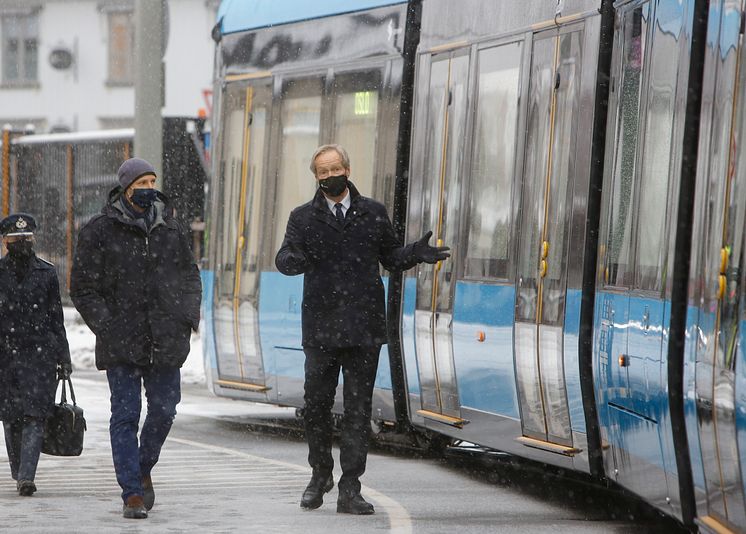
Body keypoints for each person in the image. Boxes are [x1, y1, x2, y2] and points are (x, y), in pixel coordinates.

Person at [275, 144, 450, 515]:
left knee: (358, 411)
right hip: (321, 330)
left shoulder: (373, 212)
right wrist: (292, 260)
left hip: (363, 330)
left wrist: (415, 253)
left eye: (334, 169)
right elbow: (286, 255)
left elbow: (390, 257)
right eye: (322, 172)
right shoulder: (302, 217)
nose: (329, 176)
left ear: (348, 169)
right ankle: (320, 473)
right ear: (316, 177)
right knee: (317, 408)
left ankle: (350, 488)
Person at [70, 157, 201, 519]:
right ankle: (132, 493)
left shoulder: (170, 229)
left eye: (151, 182)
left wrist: (187, 318)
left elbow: (190, 276)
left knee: (164, 409)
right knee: (126, 415)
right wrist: (107, 325)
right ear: (126, 188)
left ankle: (143, 467)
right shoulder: (99, 230)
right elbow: (82, 287)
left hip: (166, 337)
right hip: (121, 340)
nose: (148, 189)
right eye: (141, 183)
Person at [0, 213, 72, 497]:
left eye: (27, 239)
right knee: (11, 417)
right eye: (17, 239)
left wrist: (63, 357)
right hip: (5, 358)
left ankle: (26, 476)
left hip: (39, 356)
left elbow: (57, 317)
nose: (22, 243)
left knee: (34, 416)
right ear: (6, 241)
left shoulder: (46, 272)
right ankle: (19, 471)